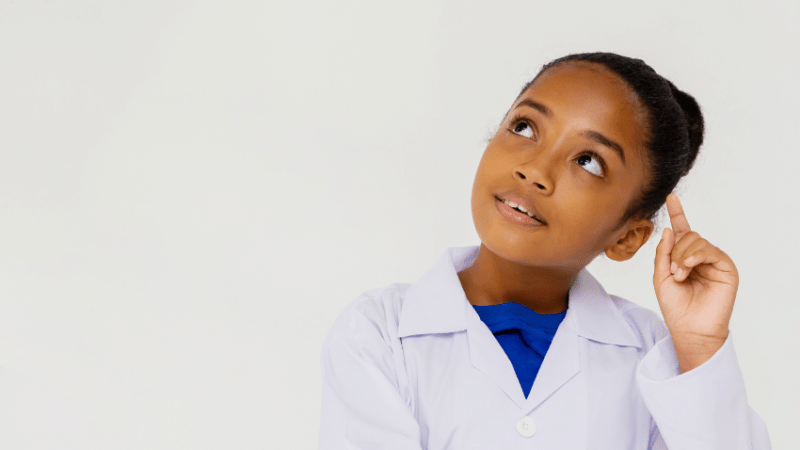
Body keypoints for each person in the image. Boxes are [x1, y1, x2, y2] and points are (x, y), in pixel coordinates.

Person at [317, 52, 771, 449]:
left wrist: (699, 349)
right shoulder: (377, 334)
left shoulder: (651, 354)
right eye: (524, 126)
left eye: (588, 161)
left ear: (627, 237)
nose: (535, 170)